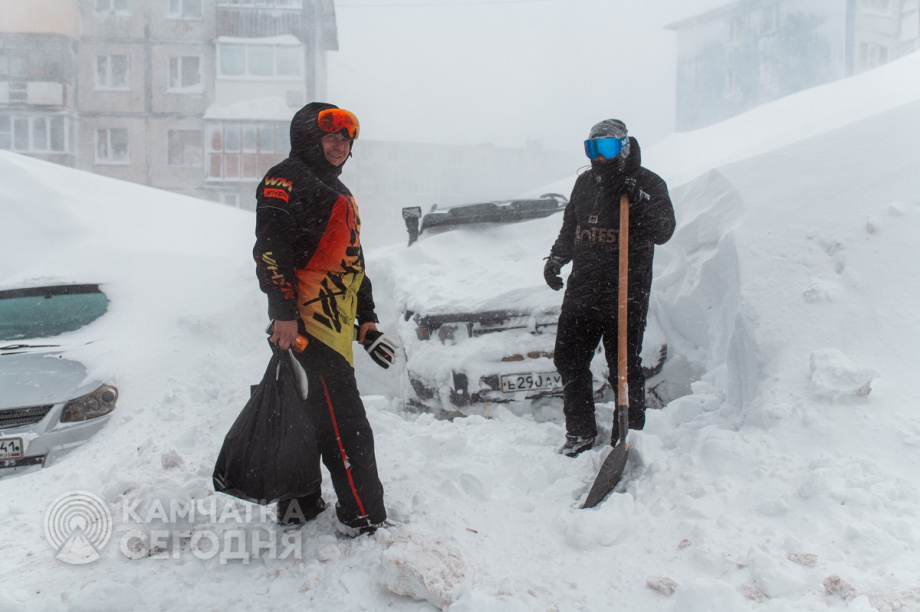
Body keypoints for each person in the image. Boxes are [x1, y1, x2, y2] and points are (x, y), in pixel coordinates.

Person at [253, 101, 388, 535]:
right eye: (331, 137)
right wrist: (285, 314)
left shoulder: (338, 192)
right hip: (308, 328)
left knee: (304, 418)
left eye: (346, 140)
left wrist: (366, 320)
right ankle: (363, 516)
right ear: (309, 138)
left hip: (333, 326)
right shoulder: (285, 178)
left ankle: (299, 505)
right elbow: (271, 250)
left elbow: (352, 263)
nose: (339, 146)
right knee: (346, 427)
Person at [544, 119, 676, 458]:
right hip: (583, 289)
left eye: (607, 148)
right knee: (569, 358)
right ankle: (580, 433)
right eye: (592, 148)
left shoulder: (648, 183)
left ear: (625, 147)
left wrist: (637, 198)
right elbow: (571, 227)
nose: (599, 157)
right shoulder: (584, 184)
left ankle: (628, 436)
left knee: (624, 367)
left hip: (625, 291)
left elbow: (663, 231)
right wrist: (557, 258)